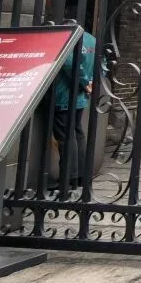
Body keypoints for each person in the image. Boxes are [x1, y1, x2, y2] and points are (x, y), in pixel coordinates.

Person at [52, 24, 97, 189]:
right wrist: (90, 82)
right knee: (77, 133)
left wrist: (84, 82)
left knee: (66, 136)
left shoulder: (67, 36)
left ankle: (68, 179)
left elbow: (70, 64)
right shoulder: (92, 40)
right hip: (81, 96)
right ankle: (81, 176)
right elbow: (102, 62)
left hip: (64, 94)